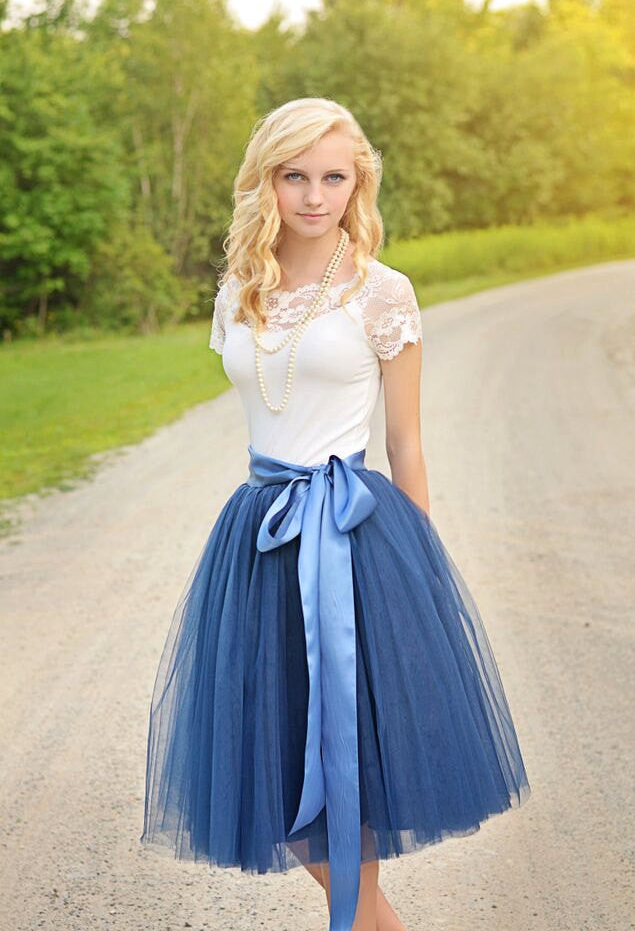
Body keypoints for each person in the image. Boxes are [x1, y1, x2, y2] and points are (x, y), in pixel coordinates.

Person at [139, 97, 531, 931]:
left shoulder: (383, 294)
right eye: (295, 176)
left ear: (358, 186)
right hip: (260, 538)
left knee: (351, 766)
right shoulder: (239, 290)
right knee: (272, 769)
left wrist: (422, 570)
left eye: (333, 177)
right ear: (267, 182)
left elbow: (407, 445)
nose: (314, 196)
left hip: (354, 538)